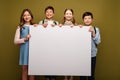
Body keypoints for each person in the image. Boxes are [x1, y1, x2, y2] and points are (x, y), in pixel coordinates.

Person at [14, 9, 35, 80]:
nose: (26, 16)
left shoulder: (35, 27)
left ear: (31, 16)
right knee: (24, 70)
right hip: (24, 50)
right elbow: (15, 41)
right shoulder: (20, 27)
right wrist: (25, 39)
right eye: (25, 15)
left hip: (33, 51)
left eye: (28, 15)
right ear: (22, 17)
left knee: (32, 71)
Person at [80, 12, 101, 80]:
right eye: (85, 18)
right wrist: (78, 29)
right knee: (82, 75)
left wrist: (93, 33)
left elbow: (98, 41)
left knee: (91, 75)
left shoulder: (96, 29)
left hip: (92, 55)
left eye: (89, 18)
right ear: (83, 20)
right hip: (82, 55)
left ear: (92, 20)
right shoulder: (80, 29)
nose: (87, 20)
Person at [39, 6, 58, 80]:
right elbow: (38, 33)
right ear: (45, 13)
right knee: (46, 64)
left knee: (54, 63)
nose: (49, 13)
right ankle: (47, 77)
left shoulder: (56, 22)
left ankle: (53, 77)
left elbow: (59, 34)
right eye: (47, 12)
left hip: (54, 47)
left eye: (50, 12)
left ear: (53, 14)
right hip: (45, 47)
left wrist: (57, 26)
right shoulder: (41, 22)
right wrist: (40, 26)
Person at [59, 8, 77, 80]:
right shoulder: (61, 25)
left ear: (72, 15)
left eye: (70, 13)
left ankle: (72, 76)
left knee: (72, 62)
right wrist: (59, 27)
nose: (68, 15)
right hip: (64, 47)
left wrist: (78, 27)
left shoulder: (75, 24)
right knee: (65, 62)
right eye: (67, 13)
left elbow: (78, 36)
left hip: (72, 47)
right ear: (64, 15)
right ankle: (65, 77)